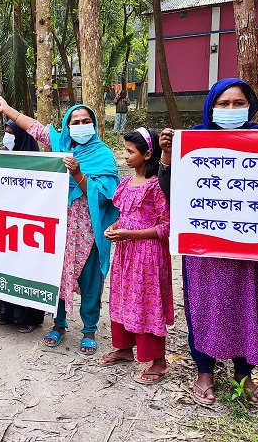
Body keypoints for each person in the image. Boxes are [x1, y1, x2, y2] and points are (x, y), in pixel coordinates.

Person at [158, 77, 258, 406]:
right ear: (210, 106)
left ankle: (244, 373)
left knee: (250, 306)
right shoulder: (194, 141)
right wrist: (168, 156)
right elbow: (174, 194)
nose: (230, 109)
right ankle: (204, 372)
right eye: (222, 104)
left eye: (238, 103)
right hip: (206, 248)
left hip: (251, 249)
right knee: (204, 306)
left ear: (250, 106)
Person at [0, 96, 119, 354]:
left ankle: (89, 330)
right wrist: (8, 109)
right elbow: (35, 128)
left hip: (89, 229)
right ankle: (59, 325)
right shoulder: (62, 144)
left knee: (90, 281)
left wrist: (78, 175)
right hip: (59, 226)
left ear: (94, 125)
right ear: (68, 125)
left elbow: (107, 195)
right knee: (57, 277)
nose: (81, 125)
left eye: (86, 121)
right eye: (76, 122)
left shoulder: (103, 154)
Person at [100, 127, 172, 384]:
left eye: (131, 151)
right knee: (121, 298)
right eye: (125, 150)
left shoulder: (157, 186)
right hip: (126, 253)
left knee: (145, 304)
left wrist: (132, 234)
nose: (126, 156)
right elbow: (126, 216)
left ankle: (158, 361)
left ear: (148, 153)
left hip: (148, 256)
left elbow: (166, 226)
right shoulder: (127, 183)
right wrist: (116, 227)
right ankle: (124, 348)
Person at [0, 117, 45, 332]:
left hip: (28, 226)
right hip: (3, 225)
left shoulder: (39, 163)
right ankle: (5, 309)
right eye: (6, 131)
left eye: (12, 132)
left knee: (26, 268)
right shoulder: (2, 158)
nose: (8, 136)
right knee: (3, 265)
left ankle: (30, 317)